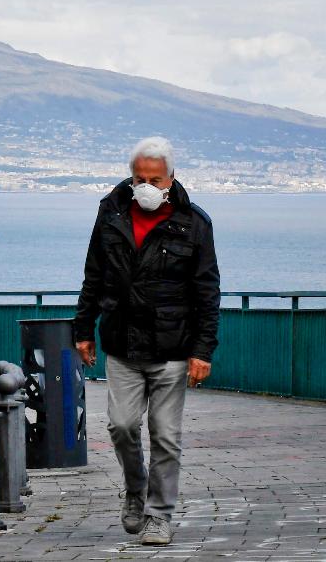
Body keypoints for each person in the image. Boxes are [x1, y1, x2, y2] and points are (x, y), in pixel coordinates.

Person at [73, 136, 220, 546]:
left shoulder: (194, 223)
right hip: (121, 343)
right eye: (139, 177)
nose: (146, 186)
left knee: (165, 435)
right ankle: (135, 489)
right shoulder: (111, 213)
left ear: (170, 178)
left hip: (173, 346)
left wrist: (202, 351)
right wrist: (82, 329)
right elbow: (93, 275)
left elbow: (207, 291)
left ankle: (159, 515)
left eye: (154, 179)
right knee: (121, 426)